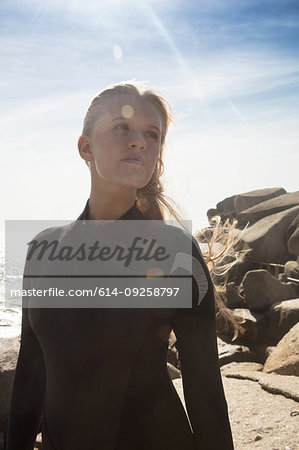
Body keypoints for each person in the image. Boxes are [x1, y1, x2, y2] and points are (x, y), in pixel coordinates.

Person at [6, 82, 234, 449]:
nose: (139, 141)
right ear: (86, 147)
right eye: (122, 127)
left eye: (152, 134)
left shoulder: (176, 252)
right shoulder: (43, 249)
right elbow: (31, 373)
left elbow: (205, 392)